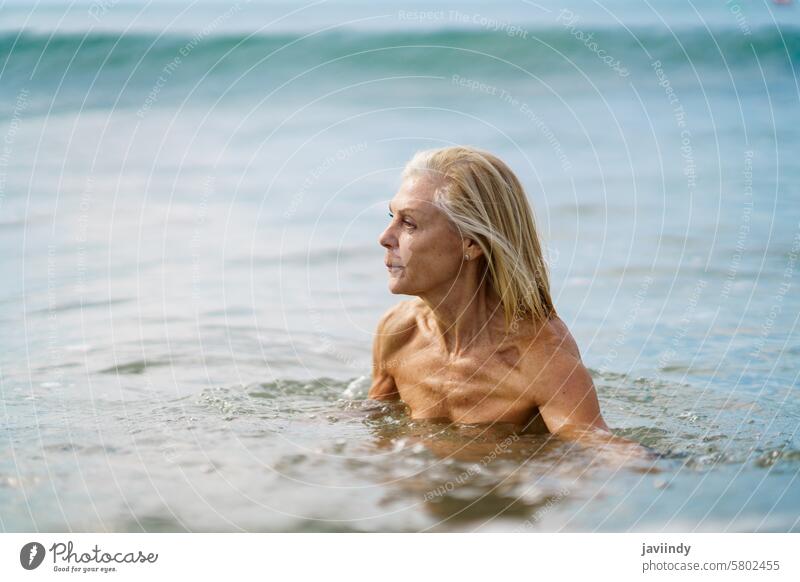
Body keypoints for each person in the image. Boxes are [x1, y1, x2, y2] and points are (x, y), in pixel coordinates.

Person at [370, 145, 657, 462]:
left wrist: (669, 469)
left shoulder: (538, 356)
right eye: (391, 217)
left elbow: (596, 446)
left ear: (471, 243)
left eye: (409, 223)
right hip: (424, 500)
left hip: (510, 493)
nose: (385, 236)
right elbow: (374, 421)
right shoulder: (399, 332)